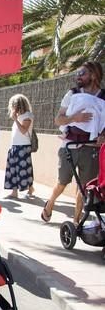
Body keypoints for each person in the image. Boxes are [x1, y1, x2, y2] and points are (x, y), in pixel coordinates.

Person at [43, 61, 104, 224]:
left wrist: (103, 136)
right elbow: (58, 120)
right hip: (69, 146)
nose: (78, 76)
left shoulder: (103, 97)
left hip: (91, 148)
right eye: (77, 73)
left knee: (84, 187)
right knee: (62, 182)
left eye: (82, 73)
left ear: (93, 75)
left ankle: (77, 222)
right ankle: (50, 202)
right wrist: (74, 118)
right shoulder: (72, 94)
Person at [4, 94, 35, 198]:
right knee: (13, 169)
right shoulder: (19, 116)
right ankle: (14, 192)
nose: (12, 107)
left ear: (19, 105)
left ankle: (30, 188)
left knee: (24, 169)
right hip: (15, 146)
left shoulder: (28, 115)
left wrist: (16, 120)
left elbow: (23, 130)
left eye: (14, 105)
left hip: (23, 147)